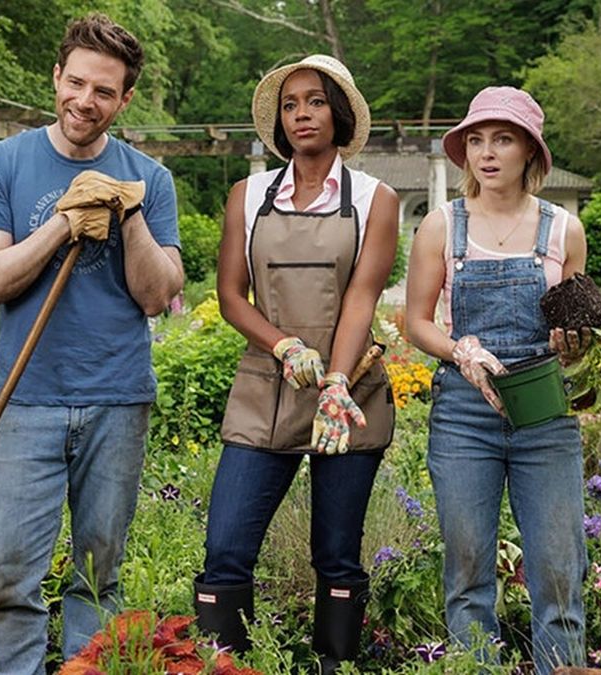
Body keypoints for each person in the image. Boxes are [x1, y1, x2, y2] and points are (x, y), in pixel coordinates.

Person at [0, 14, 183, 674]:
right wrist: (63, 221)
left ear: (125, 100)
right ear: (56, 76)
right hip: (24, 398)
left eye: (104, 91)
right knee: (9, 572)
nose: (85, 101)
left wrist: (129, 212)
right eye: (76, 83)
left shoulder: (151, 178)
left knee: (97, 572)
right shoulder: (1, 163)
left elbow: (158, 293)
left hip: (117, 398)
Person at [193, 55, 398, 674]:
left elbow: (362, 295)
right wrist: (283, 345)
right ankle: (224, 665)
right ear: (280, 122)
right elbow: (232, 294)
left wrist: (335, 381)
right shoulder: (248, 195)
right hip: (266, 387)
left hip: (348, 388)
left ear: (337, 113)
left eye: (314, 101)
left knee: (336, 554)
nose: (302, 114)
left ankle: (334, 664)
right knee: (226, 547)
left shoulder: (374, 199)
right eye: (290, 104)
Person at [405, 86, 590, 674]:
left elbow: (577, 330)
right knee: (467, 572)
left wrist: (575, 344)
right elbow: (414, 322)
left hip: (543, 414)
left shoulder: (564, 232)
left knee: (559, 574)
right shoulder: (440, 227)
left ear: (529, 152)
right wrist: (460, 351)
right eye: (477, 140)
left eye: (502, 139)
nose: (487, 153)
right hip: (464, 415)